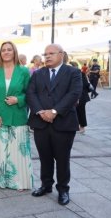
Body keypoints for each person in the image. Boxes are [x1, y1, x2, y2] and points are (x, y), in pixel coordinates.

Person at [27, 44, 82, 206]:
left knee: (62, 158)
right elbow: (31, 93)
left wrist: (54, 111)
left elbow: (74, 93)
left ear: (61, 54)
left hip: (63, 123)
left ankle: (63, 189)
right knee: (44, 157)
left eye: (51, 53)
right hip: (40, 123)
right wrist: (40, 112)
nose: (47, 57)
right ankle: (46, 185)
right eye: (45, 54)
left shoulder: (73, 72)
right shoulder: (38, 74)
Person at [0, 41, 33, 190]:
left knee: (17, 152)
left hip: (18, 117)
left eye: (9, 49)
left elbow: (31, 94)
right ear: (0, 53)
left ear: (14, 52)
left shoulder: (24, 71)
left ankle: (19, 182)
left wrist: (18, 99)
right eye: (3, 50)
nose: (6, 52)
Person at [70, 62, 91, 134]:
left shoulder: (80, 74)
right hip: (75, 96)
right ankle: (76, 126)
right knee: (75, 111)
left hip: (81, 96)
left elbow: (85, 85)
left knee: (81, 111)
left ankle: (82, 127)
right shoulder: (73, 74)